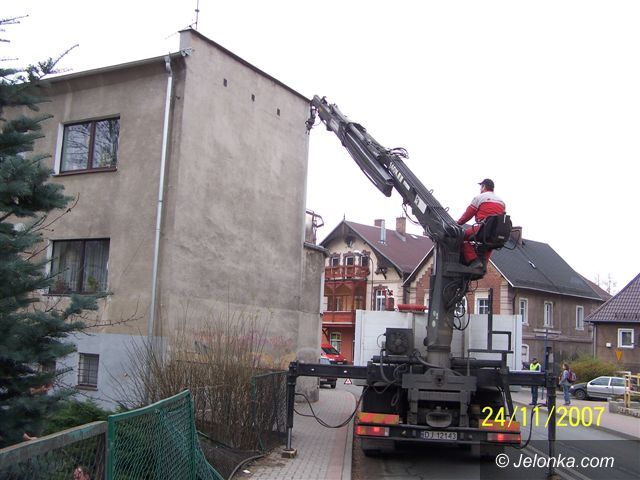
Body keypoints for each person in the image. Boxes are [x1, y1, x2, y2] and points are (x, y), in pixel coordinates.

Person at [457, 178, 506, 270]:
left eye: (481, 187)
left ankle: (473, 260)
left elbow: (468, 214)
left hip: (483, 228)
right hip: (497, 232)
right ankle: (483, 265)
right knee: (488, 244)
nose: (480, 189)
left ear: (483, 186)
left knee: (460, 236)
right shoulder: (502, 202)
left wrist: (458, 223)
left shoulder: (480, 197)